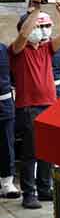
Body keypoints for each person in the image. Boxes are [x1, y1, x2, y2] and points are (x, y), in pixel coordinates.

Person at [10, 0, 60, 209]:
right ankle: (29, 193)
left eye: (46, 26)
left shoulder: (47, 48)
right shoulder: (17, 50)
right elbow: (25, 33)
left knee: (47, 150)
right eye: (40, 26)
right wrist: (34, 9)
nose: (43, 31)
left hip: (50, 104)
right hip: (29, 107)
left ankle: (45, 189)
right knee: (30, 152)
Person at [0, 40, 18, 199]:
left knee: (7, 144)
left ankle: (7, 183)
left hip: (4, 103)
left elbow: (14, 75)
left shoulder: (4, 49)